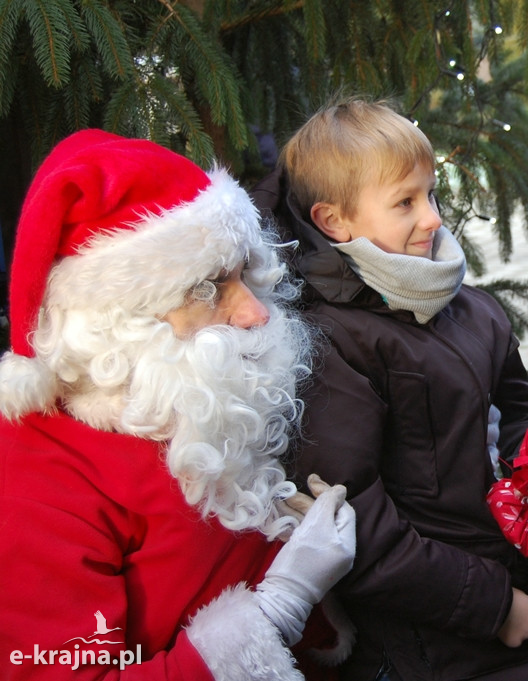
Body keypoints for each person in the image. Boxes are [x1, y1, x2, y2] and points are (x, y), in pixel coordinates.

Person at [252, 95, 528, 681]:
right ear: (334, 221)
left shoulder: (470, 308)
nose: (434, 218)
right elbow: (351, 520)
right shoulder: (332, 343)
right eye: (405, 202)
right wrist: (492, 607)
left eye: (430, 194)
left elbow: (520, 408)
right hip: (437, 639)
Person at [0, 129, 357, 680]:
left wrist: (286, 533)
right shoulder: (33, 485)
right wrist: (276, 609)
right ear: (114, 319)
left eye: (243, 274)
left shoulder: (176, 391)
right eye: (211, 287)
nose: (256, 313)